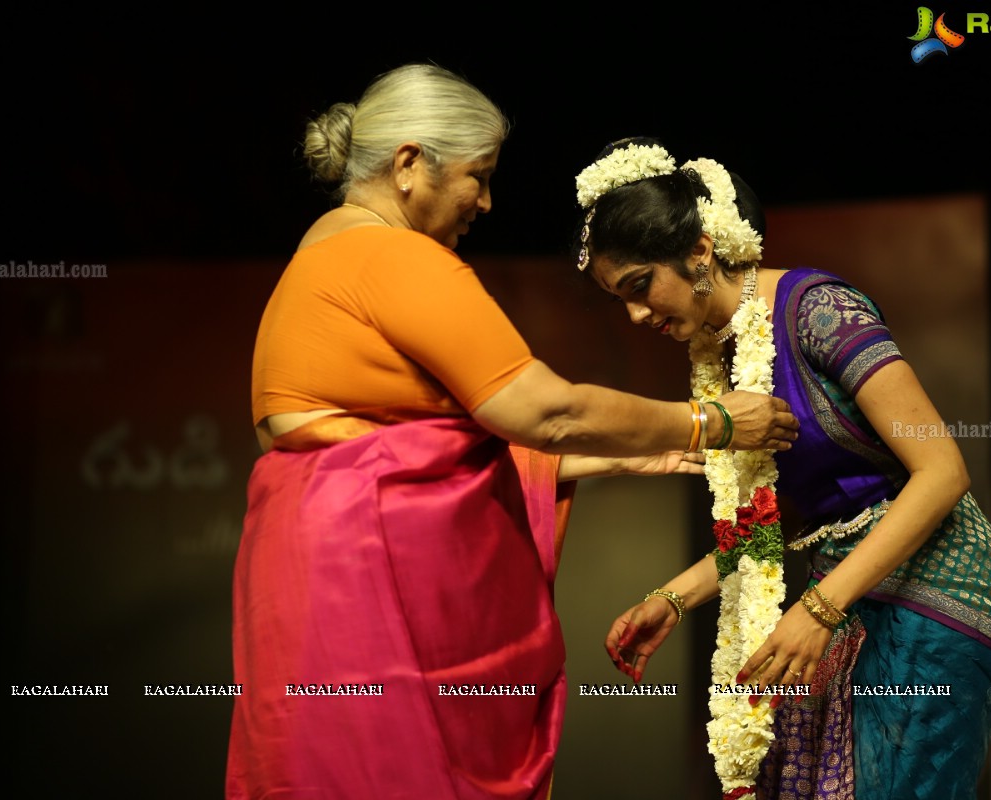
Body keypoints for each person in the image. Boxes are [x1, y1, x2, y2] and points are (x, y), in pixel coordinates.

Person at [225, 69, 800, 800]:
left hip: (308, 557)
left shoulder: (323, 248)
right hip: (364, 566)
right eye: (479, 176)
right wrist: (713, 421)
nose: (487, 202)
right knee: (392, 769)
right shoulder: (389, 254)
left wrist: (617, 455)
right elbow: (545, 411)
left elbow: (403, 438)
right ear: (408, 165)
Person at [572, 138, 991, 800]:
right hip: (847, 598)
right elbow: (769, 525)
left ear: (700, 253)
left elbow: (943, 470)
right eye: (620, 300)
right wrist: (672, 597)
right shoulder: (721, 362)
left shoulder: (817, 309)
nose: (637, 314)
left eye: (641, 286)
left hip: (936, 594)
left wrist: (818, 607)